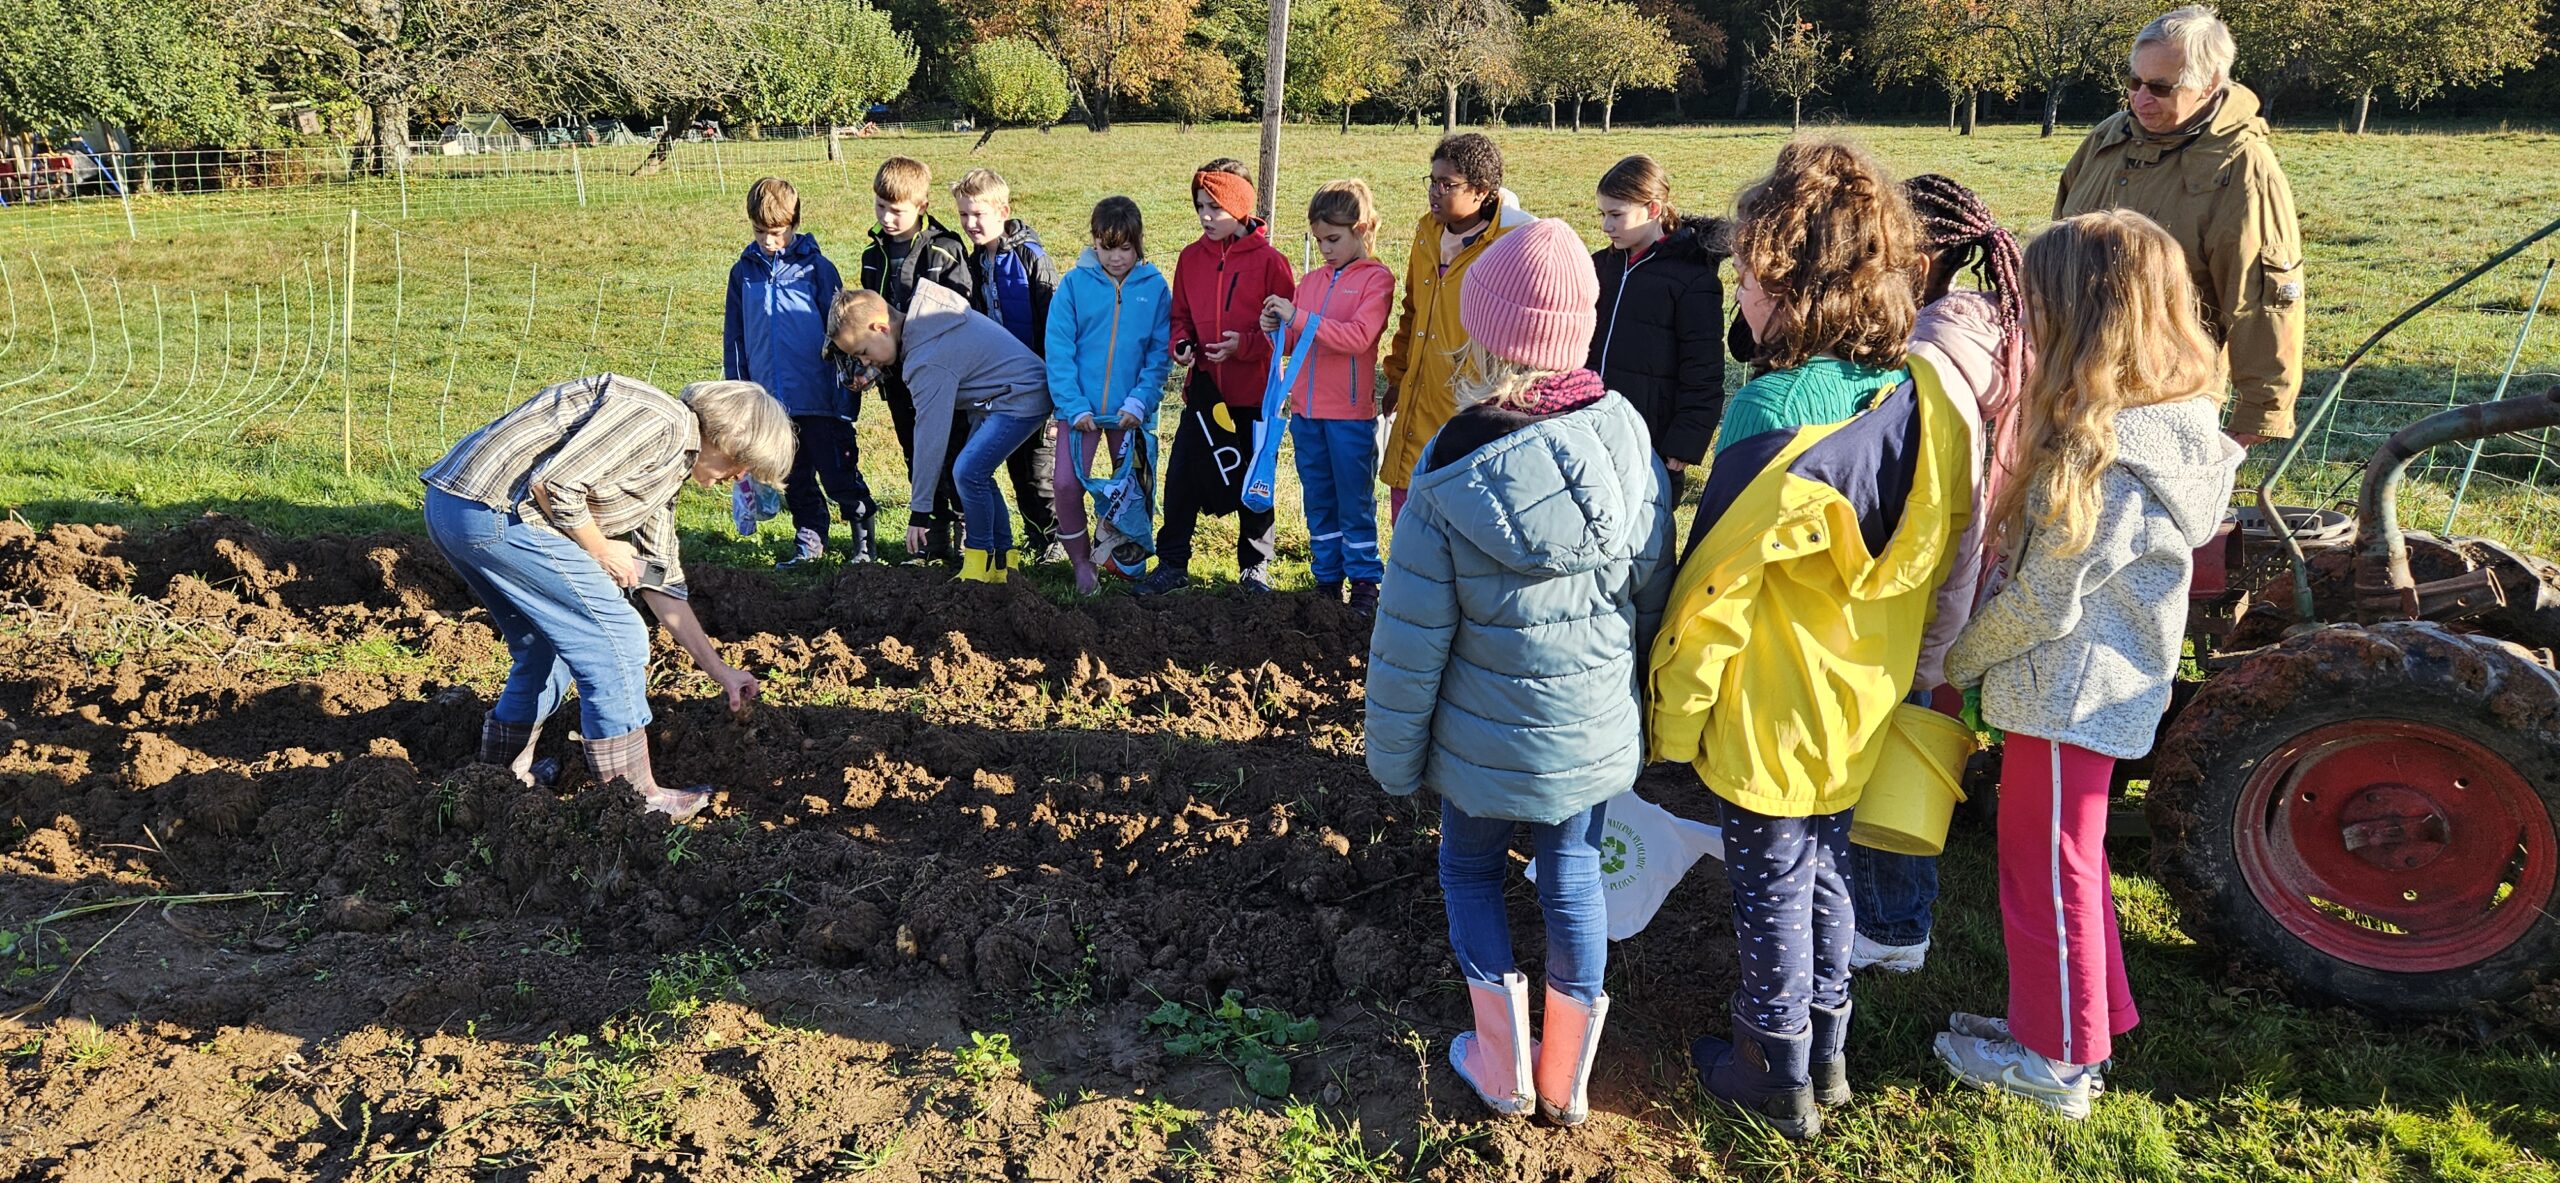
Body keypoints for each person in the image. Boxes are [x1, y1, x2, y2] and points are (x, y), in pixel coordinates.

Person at [1648, 139, 1972, 1141]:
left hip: (1769, 704)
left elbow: (1711, 593)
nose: (1737, 294)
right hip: (1858, 693)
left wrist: (1671, 716)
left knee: (1771, 886)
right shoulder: (1919, 396)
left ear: (1790, 287)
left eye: (1747, 276)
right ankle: (1827, 1051)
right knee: (1827, 865)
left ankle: (1772, 1064)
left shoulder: (1770, 411)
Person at [1366, 217, 1673, 1127]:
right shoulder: (1627, 435)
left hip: (1478, 742)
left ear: (1483, 334)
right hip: (1591, 729)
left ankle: (1500, 1064)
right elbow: (1653, 588)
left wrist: (1393, 757)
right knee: (1571, 869)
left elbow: (1410, 635)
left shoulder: (1449, 464)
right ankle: (1566, 1077)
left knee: (1467, 868)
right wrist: (1641, 711)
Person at [1935, 209, 2243, 1119]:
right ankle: (2078, 1018)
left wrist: (1958, 655)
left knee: (2048, 870)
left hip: (2070, 693)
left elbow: (2042, 600)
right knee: (2068, 860)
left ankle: (2060, 1063)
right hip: (2087, 690)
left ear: (2079, 319)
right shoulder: (2165, 423)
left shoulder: (2105, 458)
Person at [422, 375, 792, 821]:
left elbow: (660, 580)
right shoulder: (664, 423)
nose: (742, 476)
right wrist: (600, 548)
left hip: (460, 511)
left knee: (547, 647)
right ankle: (634, 801)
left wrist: (722, 672)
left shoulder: (671, 465)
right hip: (495, 514)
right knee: (617, 639)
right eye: (746, 463)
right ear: (730, 439)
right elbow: (555, 484)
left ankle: (497, 779)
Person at [1846, 173, 2032, 976]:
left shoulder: (1929, 361)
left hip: (1923, 603)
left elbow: (1941, 522)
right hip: (1968, 581)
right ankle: (1894, 914)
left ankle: (1893, 927)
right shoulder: (1988, 328)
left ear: (1918, 258)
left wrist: (1927, 652)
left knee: (1895, 761)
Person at [2056, 5, 2304, 445]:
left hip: (2167, 395)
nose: (2140, 98)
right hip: (2070, 384)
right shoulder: (2106, 139)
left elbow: (2262, 296)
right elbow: (2054, 251)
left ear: (2209, 85)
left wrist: (2261, 410)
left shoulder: (2242, 166)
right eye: (2133, 82)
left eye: (2160, 87)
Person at [1140, 159, 1297, 596]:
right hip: (1204, 392)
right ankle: (1172, 562)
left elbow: (1286, 335)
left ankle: (1254, 567)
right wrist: (1182, 345)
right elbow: (1180, 317)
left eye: (1215, 207)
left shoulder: (1271, 263)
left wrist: (1243, 346)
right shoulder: (1190, 258)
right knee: (1183, 478)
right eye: (1199, 207)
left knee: (1253, 481)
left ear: (1241, 208)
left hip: (1254, 395)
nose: (1206, 216)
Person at [828, 285, 1050, 584]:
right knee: (976, 471)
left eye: (863, 352)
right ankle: (1003, 564)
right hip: (1004, 397)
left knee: (969, 472)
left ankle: (980, 563)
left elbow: (930, 436)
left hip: (1021, 397)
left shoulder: (928, 356)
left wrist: (919, 511)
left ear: (880, 327)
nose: (865, 363)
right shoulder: (927, 324)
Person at [1382, 133, 1536, 521]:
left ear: (1482, 190)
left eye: (1447, 184)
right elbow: (1413, 310)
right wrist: (1397, 377)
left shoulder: (1512, 241)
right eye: (1431, 181)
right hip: (1419, 391)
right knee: (1407, 503)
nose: (1434, 191)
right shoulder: (1426, 233)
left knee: (1458, 507)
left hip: (1472, 398)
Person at [1259, 179, 1394, 619]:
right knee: (1318, 498)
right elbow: (1297, 339)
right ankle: (1327, 580)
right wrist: (1275, 327)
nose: (1325, 250)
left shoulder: (1377, 280)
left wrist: (1299, 316)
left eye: (1333, 239)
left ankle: (1365, 584)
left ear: (1362, 229)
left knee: (1353, 502)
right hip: (1306, 414)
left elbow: (1358, 338)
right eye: (1319, 241)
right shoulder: (1312, 281)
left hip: (1349, 417)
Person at [722, 177, 857, 568]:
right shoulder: (742, 273)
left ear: (794, 224)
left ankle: (863, 539)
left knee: (836, 473)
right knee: (792, 476)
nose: (768, 241)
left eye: (777, 232)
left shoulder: (817, 270)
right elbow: (736, 337)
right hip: (771, 402)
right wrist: (741, 393)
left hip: (817, 397)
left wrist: (843, 394)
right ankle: (809, 541)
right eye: (760, 232)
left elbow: (840, 332)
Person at [1046, 197, 1173, 596]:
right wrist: (1074, 406)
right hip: (1079, 412)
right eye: (1106, 247)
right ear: (1094, 242)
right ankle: (1082, 562)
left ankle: (1123, 557)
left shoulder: (1154, 289)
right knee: (1066, 485)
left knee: (1132, 491)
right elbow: (1060, 350)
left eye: (1125, 248)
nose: (1116, 258)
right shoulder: (1073, 285)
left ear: (1139, 244)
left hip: (1129, 415)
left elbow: (1158, 354)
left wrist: (1140, 402)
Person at [859, 156, 975, 564]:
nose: (887, 218)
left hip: (945, 376)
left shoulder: (945, 250)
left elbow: (958, 310)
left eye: (897, 209)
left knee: (955, 451)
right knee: (915, 451)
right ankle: (931, 538)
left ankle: (966, 535)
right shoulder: (872, 256)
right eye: (880, 207)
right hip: (896, 377)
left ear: (922, 206)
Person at [953, 167, 1066, 567]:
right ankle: (1036, 539)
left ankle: (1057, 538)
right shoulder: (973, 262)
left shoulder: (1030, 258)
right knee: (1016, 465)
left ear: (1002, 210)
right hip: (1000, 387)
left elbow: (1054, 321)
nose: (970, 223)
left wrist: (1057, 389)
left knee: (1039, 468)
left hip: (1038, 381)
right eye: (964, 215)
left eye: (978, 214)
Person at [1588, 154, 1726, 473]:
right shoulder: (1598, 267)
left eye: (1616, 214)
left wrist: (1684, 442)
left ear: (1652, 209)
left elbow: (1703, 369)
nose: (1606, 225)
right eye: (1602, 214)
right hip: (1589, 429)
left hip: (1651, 442)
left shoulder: (1693, 278)